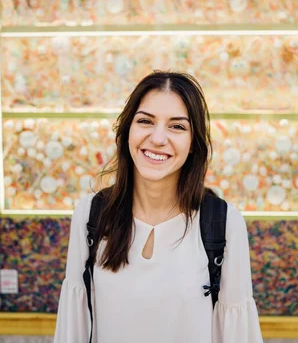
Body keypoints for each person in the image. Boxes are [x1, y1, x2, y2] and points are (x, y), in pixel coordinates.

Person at [54, 71, 263, 343]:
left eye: (177, 126)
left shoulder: (223, 223)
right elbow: (74, 327)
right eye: (145, 121)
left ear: (192, 144)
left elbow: (238, 336)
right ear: (127, 131)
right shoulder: (91, 214)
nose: (158, 138)